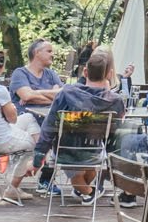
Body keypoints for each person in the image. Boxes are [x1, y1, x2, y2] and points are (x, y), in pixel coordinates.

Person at [35, 49, 125, 200]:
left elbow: (49, 126)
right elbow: (117, 129)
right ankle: (88, 192)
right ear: (109, 74)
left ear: (85, 72)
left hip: (66, 152)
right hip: (95, 151)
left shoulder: (66, 93)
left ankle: (87, 192)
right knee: (91, 158)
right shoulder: (116, 100)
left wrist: (39, 155)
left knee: (78, 170)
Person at [8, 39, 62, 118]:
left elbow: (62, 95)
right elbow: (27, 96)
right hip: (27, 123)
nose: (52, 54)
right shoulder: (20, 73)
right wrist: (53, 96)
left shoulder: (51, 74)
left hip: (49, 121)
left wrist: (35, 92)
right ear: (37, 52)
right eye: (49, 51)